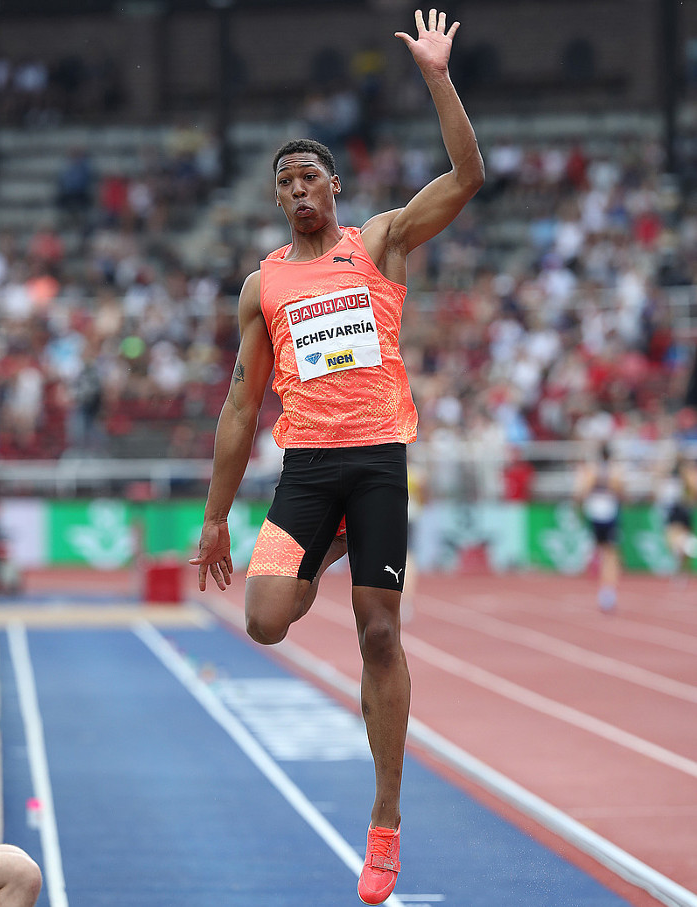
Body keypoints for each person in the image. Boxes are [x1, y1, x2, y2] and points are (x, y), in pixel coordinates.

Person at [190, 9, 484, 904]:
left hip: (378, 455)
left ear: (334, 185)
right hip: (309, 466)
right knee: (267, 617)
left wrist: (436, 75)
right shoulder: (263, 285)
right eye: (283, 182)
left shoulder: (382, 241)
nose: (296, 188)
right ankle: (344, 540)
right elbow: (243, 403)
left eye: (308, 174)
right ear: (277, 200)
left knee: (379, 632)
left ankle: (385, 825)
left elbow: (469, 175)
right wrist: (213, 514)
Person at [574, 440, 624, 612]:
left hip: (595, 512)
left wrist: (580, 508)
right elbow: (621, 490)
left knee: (604, 550)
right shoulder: (613, 470)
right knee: (611, 553)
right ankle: (607, 591)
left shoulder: (592, 469)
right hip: (608, 513)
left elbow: (582, 492)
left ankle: (592, 557)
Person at [655, 449, 697, 578]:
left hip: (679, 508)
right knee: (675, 541)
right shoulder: (672, 472)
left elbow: (693, 489)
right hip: (674, 508)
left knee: (673, 538)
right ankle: (681, 570)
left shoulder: (687, 473)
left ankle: (691, 545)